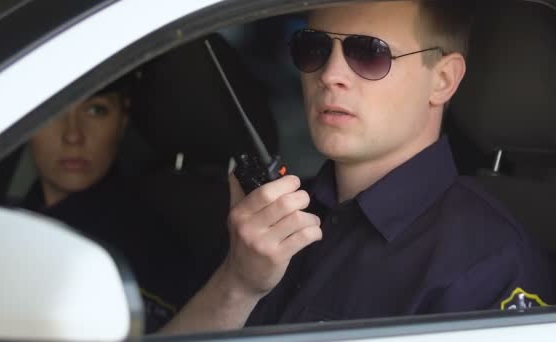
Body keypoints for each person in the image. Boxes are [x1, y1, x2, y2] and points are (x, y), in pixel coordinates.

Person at [159, 0, 555, 334]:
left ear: (443, 80)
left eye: (369, 53)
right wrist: (238, 284)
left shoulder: (490, 265)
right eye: (313, 48)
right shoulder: (261, 221)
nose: (329, 75)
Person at [20, 74, 199, 332]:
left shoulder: (147, 249)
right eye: (52, 110)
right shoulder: (10, 215)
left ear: (122, 121)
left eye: (96, 110)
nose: (73, 135)